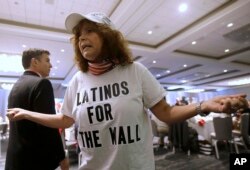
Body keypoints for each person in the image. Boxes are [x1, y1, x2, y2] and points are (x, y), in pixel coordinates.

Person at [6, 12, 249, 170]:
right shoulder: (79, 80)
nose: (82, 39)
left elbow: (165, 113)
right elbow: (65, 120)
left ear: (108, 36)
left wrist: (203, 105)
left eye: (89, 31)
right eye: (79, 35)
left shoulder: (135, 71)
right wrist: (28, 114)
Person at [5, 49, 69, 170]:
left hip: (15, 159)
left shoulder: (16, 86)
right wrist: (62, 157)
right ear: (34, 62)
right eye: (47, 60)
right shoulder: (42, 84)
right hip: (35, 160)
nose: (51, 65)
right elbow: (48, 126)